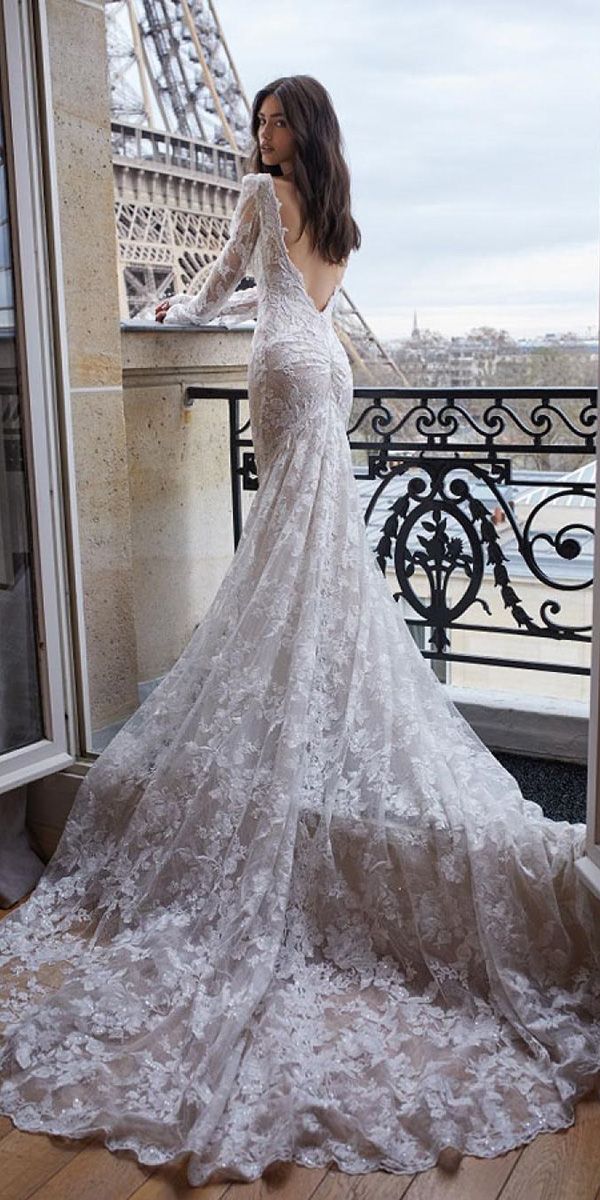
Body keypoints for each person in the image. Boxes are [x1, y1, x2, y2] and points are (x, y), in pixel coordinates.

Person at [1, 73, 600, 1189]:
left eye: (275, 120)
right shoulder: (333, 213)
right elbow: (298, 298)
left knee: (277, 562)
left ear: (294, 132)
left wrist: (178, 316)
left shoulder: (255, 194)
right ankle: (308, 719)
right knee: (317, 565)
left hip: (280, 372)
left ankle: (281, 721)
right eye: (262, 118)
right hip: (325, 374)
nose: (262, 132)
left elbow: (224, 287)